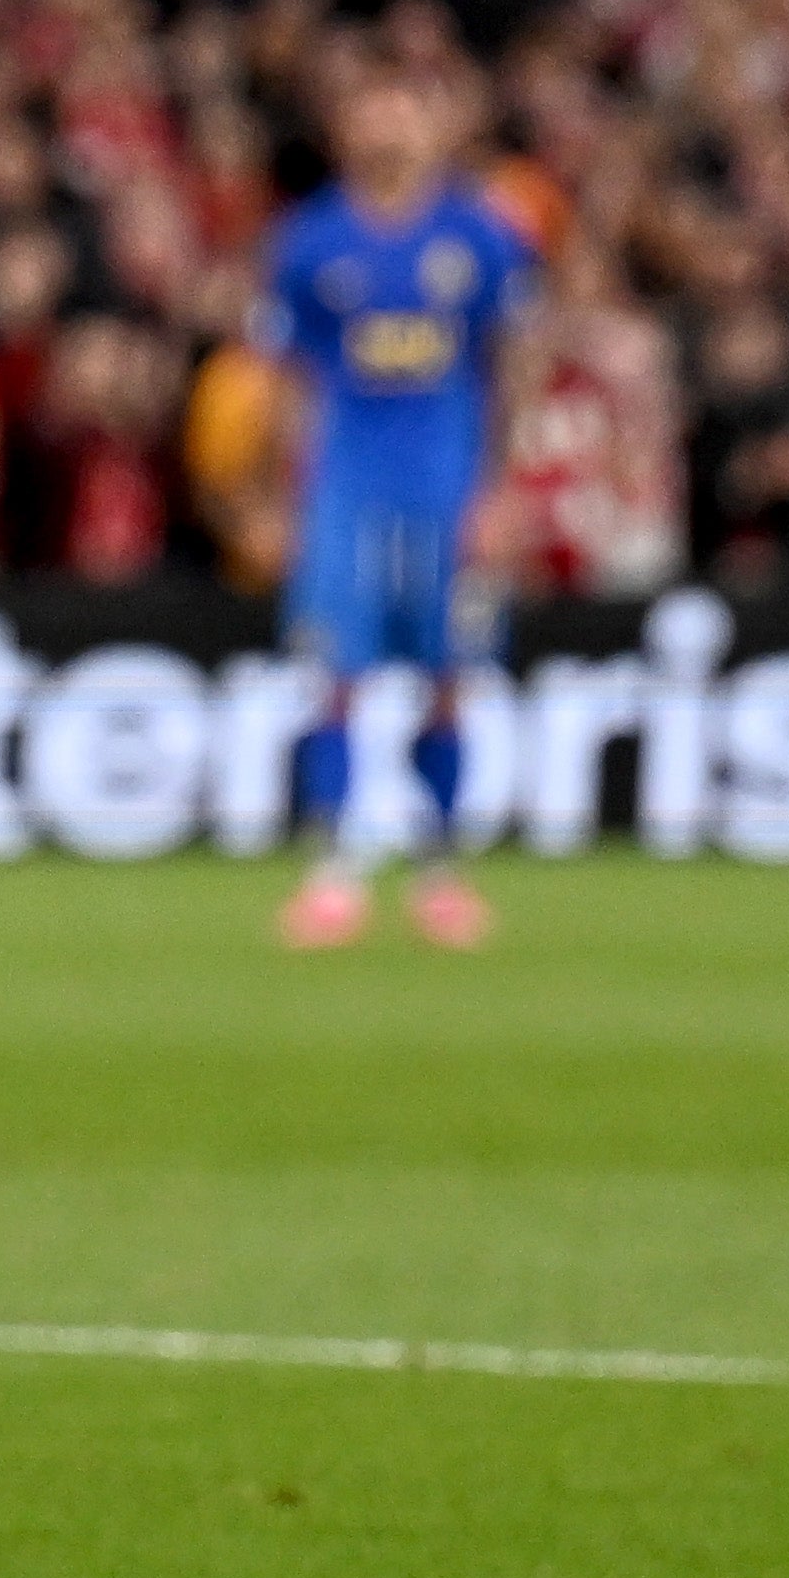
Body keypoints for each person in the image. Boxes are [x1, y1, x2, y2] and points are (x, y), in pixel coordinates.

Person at [259, 60, 536, 950]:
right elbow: (285, 377)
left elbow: (515, 359)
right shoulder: (309, 241)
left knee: (447, 679)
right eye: (369, 111)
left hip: (446, 488)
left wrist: (500, 484)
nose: (386, 129)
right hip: (343, 487)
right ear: (345, 130)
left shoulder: (479, 236)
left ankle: (438, 868)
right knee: (333, 675)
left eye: (402, 112)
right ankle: (333, 871)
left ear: (433, 127)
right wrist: (278, 491)